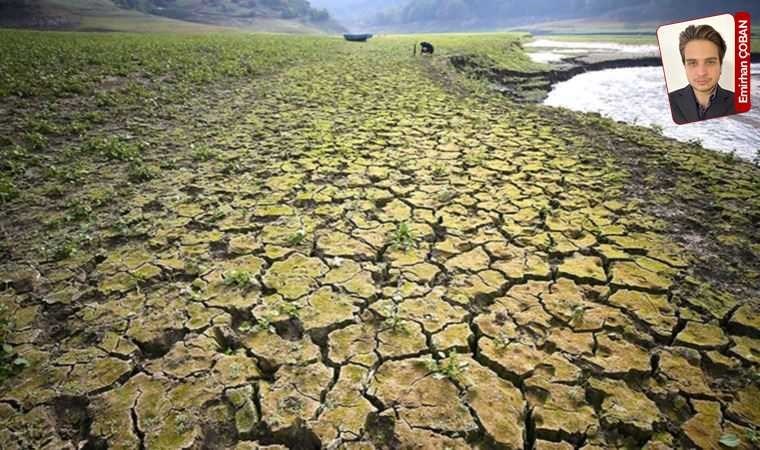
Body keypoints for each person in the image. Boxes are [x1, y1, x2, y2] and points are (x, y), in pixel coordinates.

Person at [668, 24, 735, 124]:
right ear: (684, 66)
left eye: (710, 62)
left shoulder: (738, 102)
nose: (701, 73)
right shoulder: (668, 102)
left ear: (721, 66)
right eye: (692, 63)